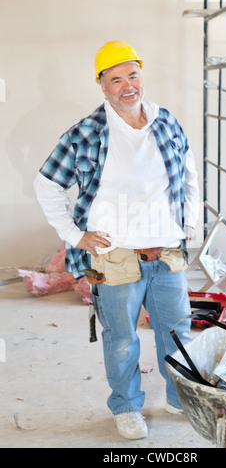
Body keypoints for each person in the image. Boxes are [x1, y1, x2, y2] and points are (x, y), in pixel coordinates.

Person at [34, 40, 200, 440]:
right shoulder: (88, 131)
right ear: (102, 85)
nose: (128, 85)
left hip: (166, 253)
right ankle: (126, 408)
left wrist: (189, 218)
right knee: (123, 340)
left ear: (141, 76)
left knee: (177, 333)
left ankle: (182, 398)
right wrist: (75, 236)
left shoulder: (165, 121)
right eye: (116, 79)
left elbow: (189, 172)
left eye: (133, 75)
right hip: (115, 256)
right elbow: (46, 183)